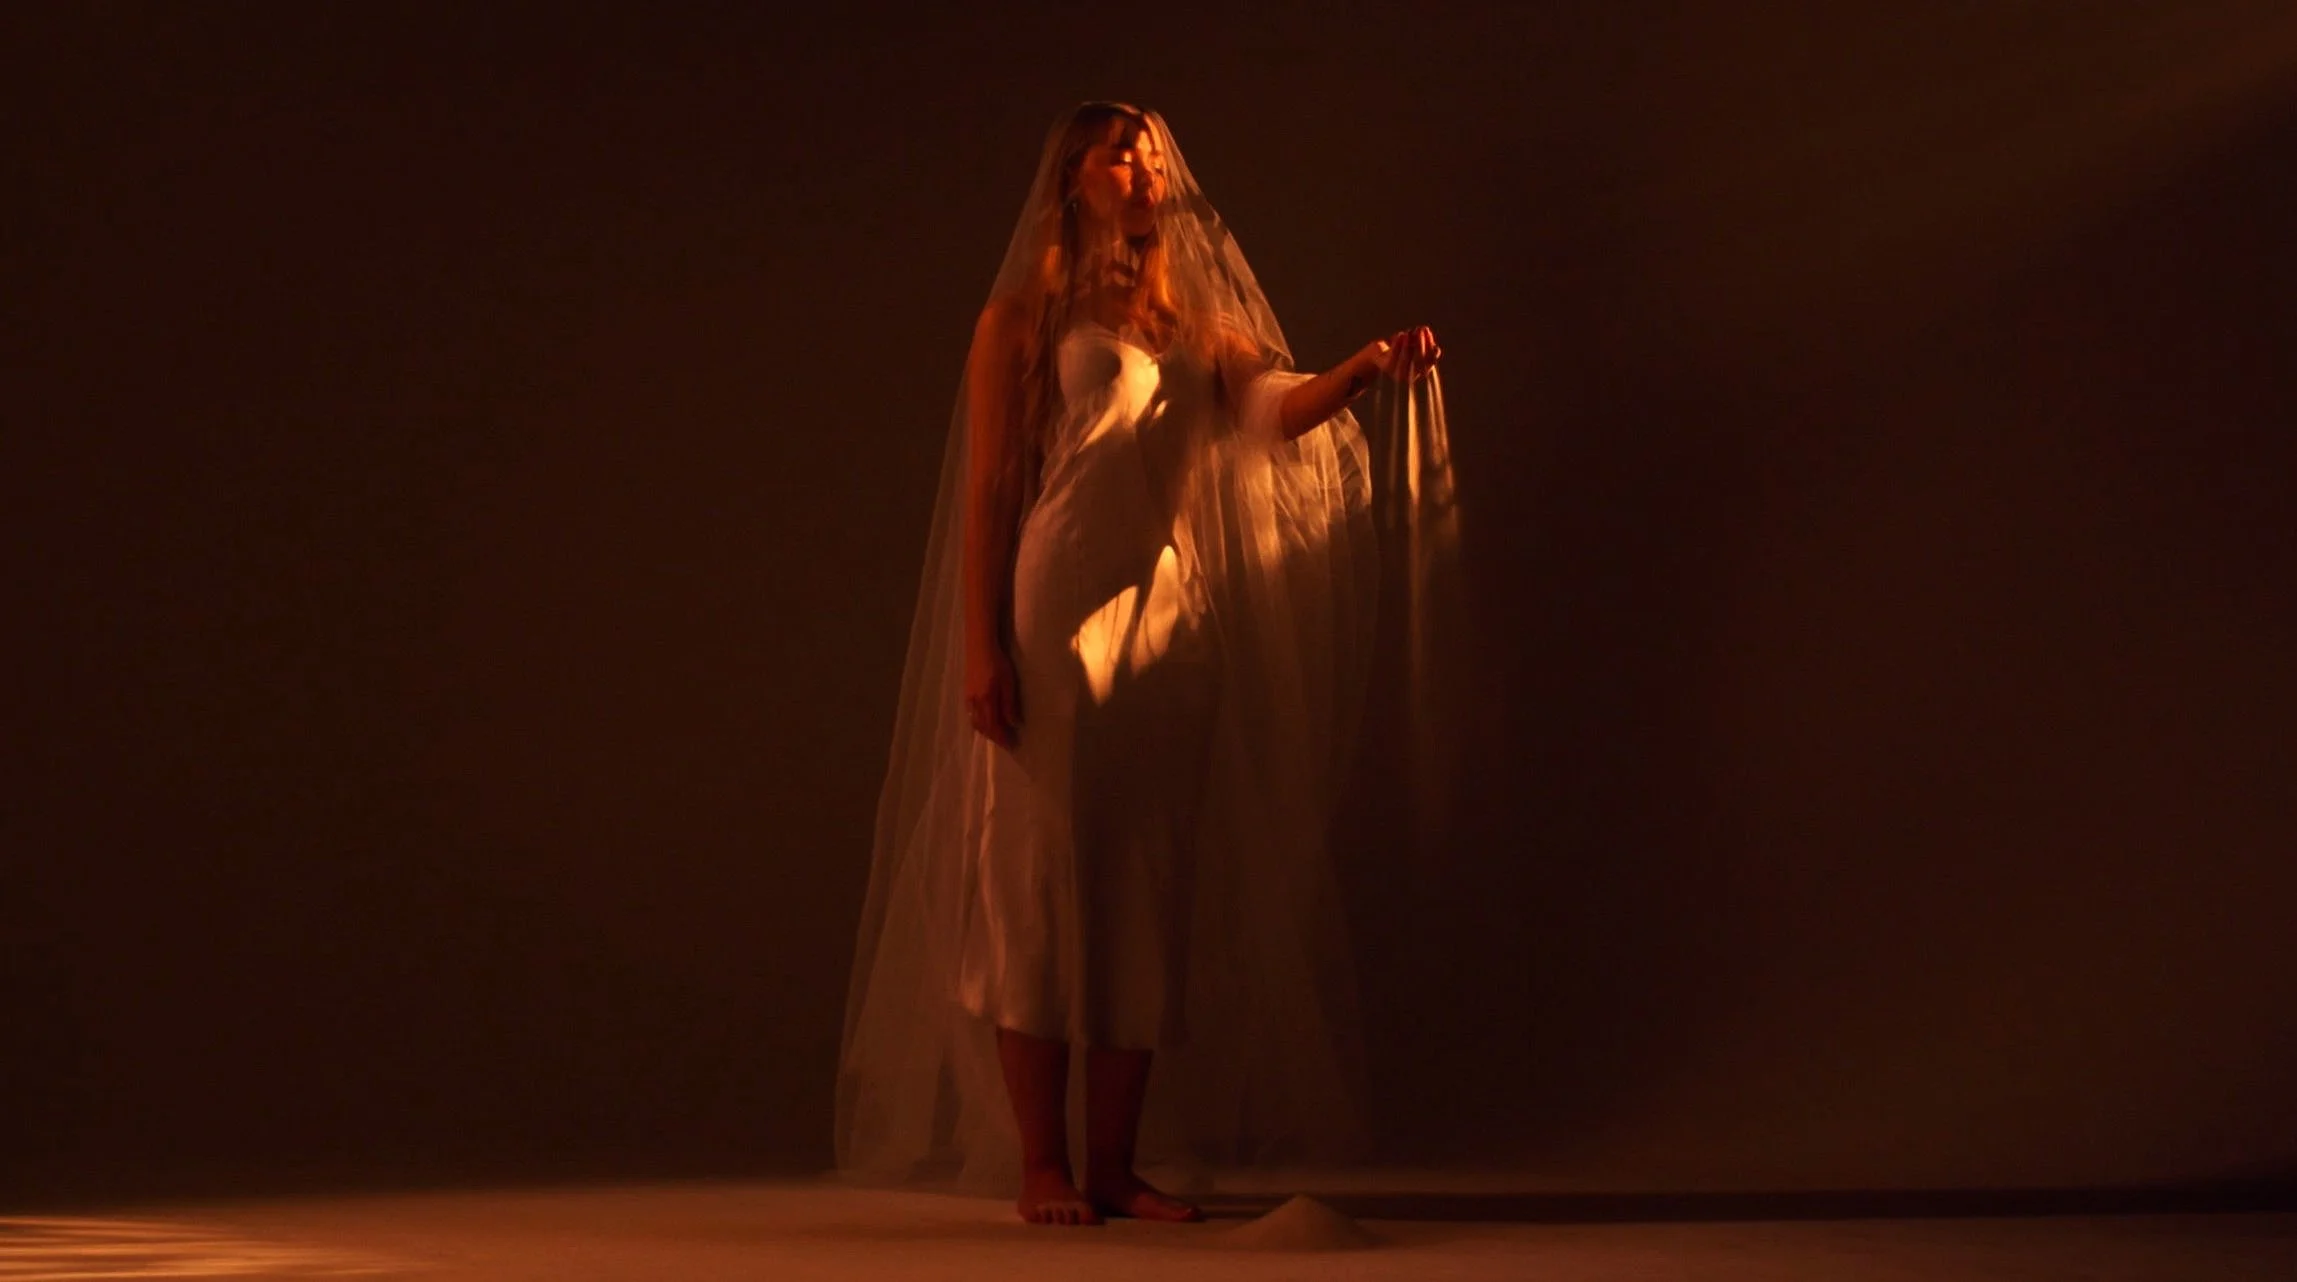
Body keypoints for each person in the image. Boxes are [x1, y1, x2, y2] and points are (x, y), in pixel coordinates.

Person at [835, 101, 1445, 1227]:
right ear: (1072, 178)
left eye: (1153, 155)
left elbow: (1272, 413)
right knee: (1037, 873)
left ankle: (1114, 1164)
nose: (1144, 168)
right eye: (1121, 152)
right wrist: (981, 645)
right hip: (1055, 607)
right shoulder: (1019, 319)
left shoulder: (1191, 324)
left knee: (1142, 885)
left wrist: (1364, 365)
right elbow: (990, 489)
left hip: (1167, 621)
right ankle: (1042, 1164)